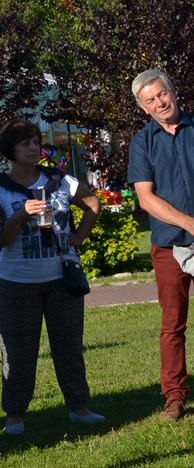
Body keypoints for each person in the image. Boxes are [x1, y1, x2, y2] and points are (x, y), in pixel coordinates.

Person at [127, 69, 194, 420]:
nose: (160, 103)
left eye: (162, 94)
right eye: (150, 100)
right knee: (173, 323)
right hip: (169, 245)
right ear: (143, 108)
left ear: (173, 91)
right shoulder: (142, 142)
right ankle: (174, 396)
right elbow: (146, 198)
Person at [0, 119, 104, 436]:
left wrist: (78, 238)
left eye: (35, 141)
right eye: (25, 143)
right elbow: (1, 241)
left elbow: (92, 204)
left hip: (62, 280)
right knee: (18, 352)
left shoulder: (59, 180)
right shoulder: (1, 188)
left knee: (69, 346)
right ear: (10, 151)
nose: (33, 148)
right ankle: (15, 414)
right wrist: (21, 215)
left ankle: (79, 407)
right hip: (16, 281)